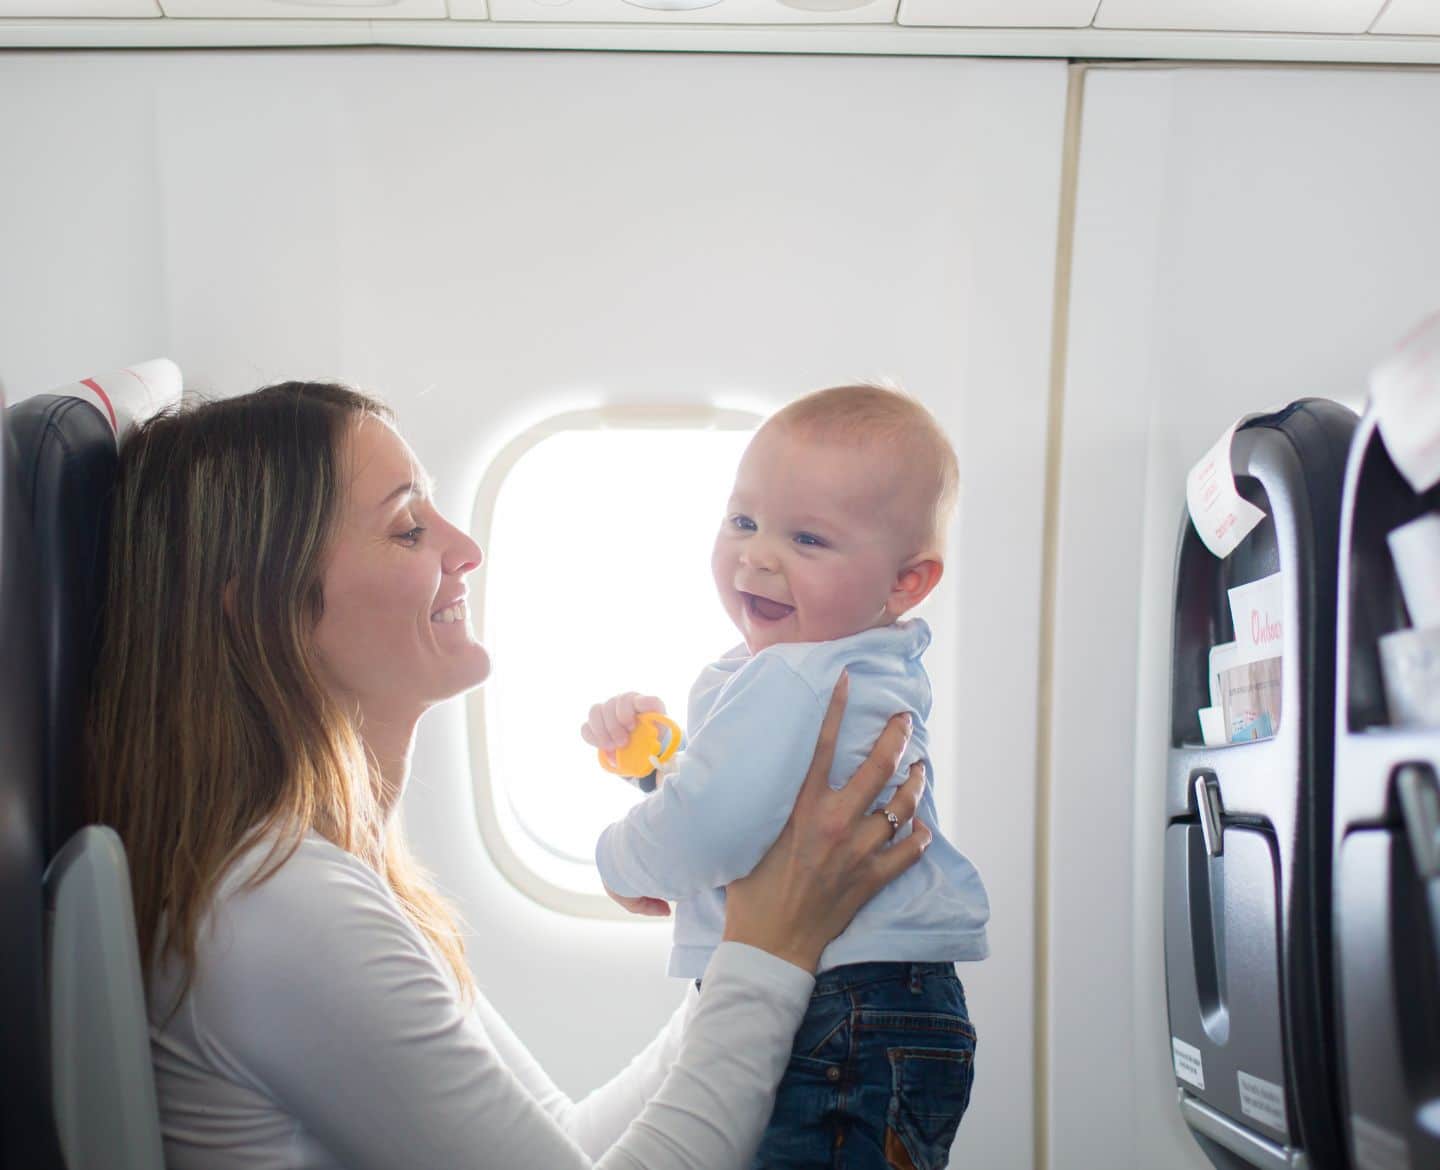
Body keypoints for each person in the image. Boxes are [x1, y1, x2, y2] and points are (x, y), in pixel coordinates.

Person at [83, 381, 933, 1170]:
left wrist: (762, 928)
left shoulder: (338, 874)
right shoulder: (279, 906)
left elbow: (563, 1141)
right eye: (409, 527)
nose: (464, 547)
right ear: (265, 603)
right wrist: (768, 947)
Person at [582, 384, 989, 1169]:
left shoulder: (793, 679)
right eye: (743, 521)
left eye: (807, 539)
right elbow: (757, 805)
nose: (757, 555)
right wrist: (657, 766)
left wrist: (618, 859)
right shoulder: (853, 664)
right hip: (888, 1008)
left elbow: (712, 829)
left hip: (837, 1011)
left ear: (906, 582)